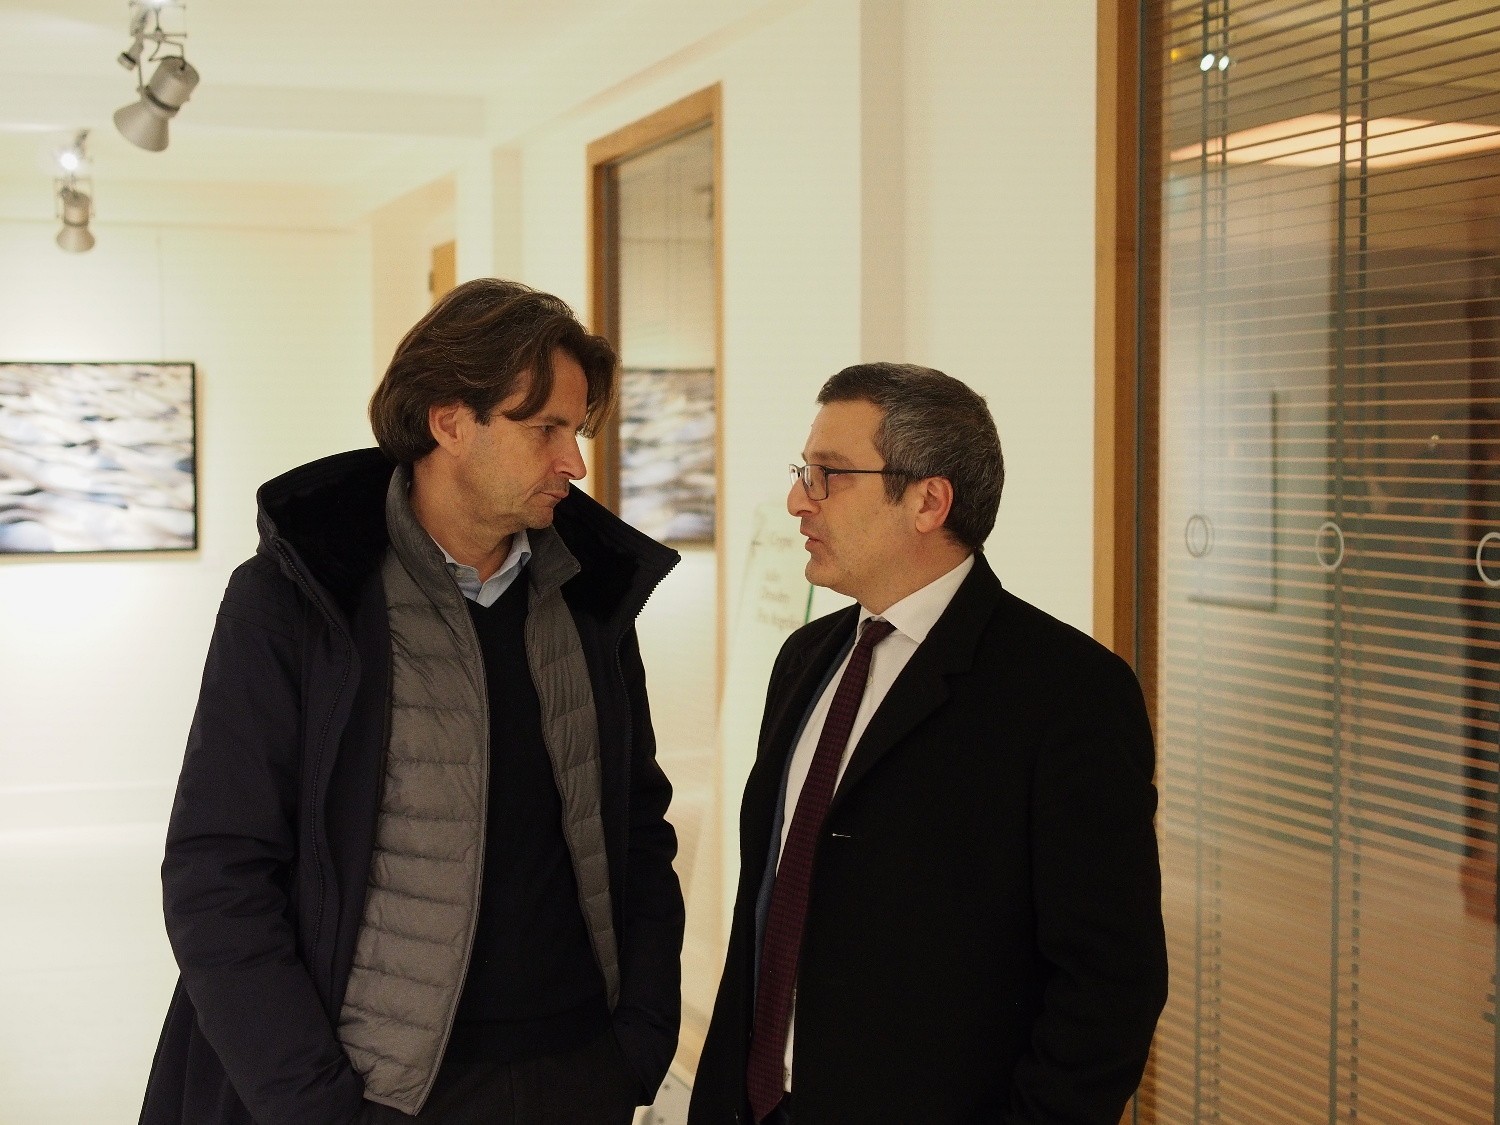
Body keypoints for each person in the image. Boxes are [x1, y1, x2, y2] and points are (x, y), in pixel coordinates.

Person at [140, 279, 684, 1125]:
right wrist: (313, 1101)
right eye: (545, 429)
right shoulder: (300, 599)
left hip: (578, 1074)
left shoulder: (588, 596)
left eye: (575, 431)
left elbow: (638, 827)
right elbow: (218, 870)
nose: (574, 463)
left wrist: (637, 1042)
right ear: (450, 420)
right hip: (385, 1090)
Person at [689, 363, 1167, 1124]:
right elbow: (768, 907)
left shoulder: (1067, 692)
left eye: (829, 474)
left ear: (928, 501)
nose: (797, 500)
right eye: (803, 472)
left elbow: (1109, 983)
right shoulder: (806, 658)